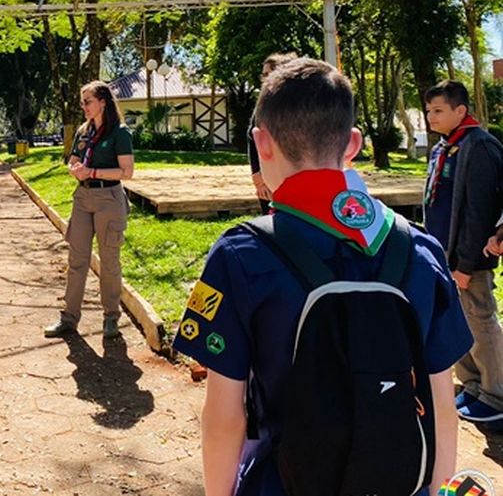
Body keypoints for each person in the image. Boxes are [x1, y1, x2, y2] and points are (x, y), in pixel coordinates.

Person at [173, 59, 472, 496]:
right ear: (353, 144)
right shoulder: (421, 249)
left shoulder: (241, 254)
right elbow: (443, 408)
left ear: (261, 143)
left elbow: (225, 418)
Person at [423, 80, 503, 423]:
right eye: (428, 110)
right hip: (444, 255)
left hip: (469, 259)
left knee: (480, 321)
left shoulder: (479, 146)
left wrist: (467, 264)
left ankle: (496, 395)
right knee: (456, 321)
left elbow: (480, 211)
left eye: (438, 110)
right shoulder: (444, 147)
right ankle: (472, 383)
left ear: (460, 110)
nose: (431, 116)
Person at [45, 80, 135, 339]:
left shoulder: (119, 132)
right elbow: (73, 160)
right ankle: (69, 318)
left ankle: (111, 318)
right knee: (77, 260)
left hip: (109, 198)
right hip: (83, 197)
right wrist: (75, 170)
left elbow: (127, 172)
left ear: (103, 103)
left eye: (88, 102)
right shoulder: (84, 131)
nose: (83, 106)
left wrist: (93, 172)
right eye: (82, 102)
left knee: (109, 261)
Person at [247, 53, 297, 215]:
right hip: (270, 177)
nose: (265, 79)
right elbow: (252, 139)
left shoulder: (301, 103)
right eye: (264, 75)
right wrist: (258, 179)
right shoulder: (263, 105)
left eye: (270, 74)